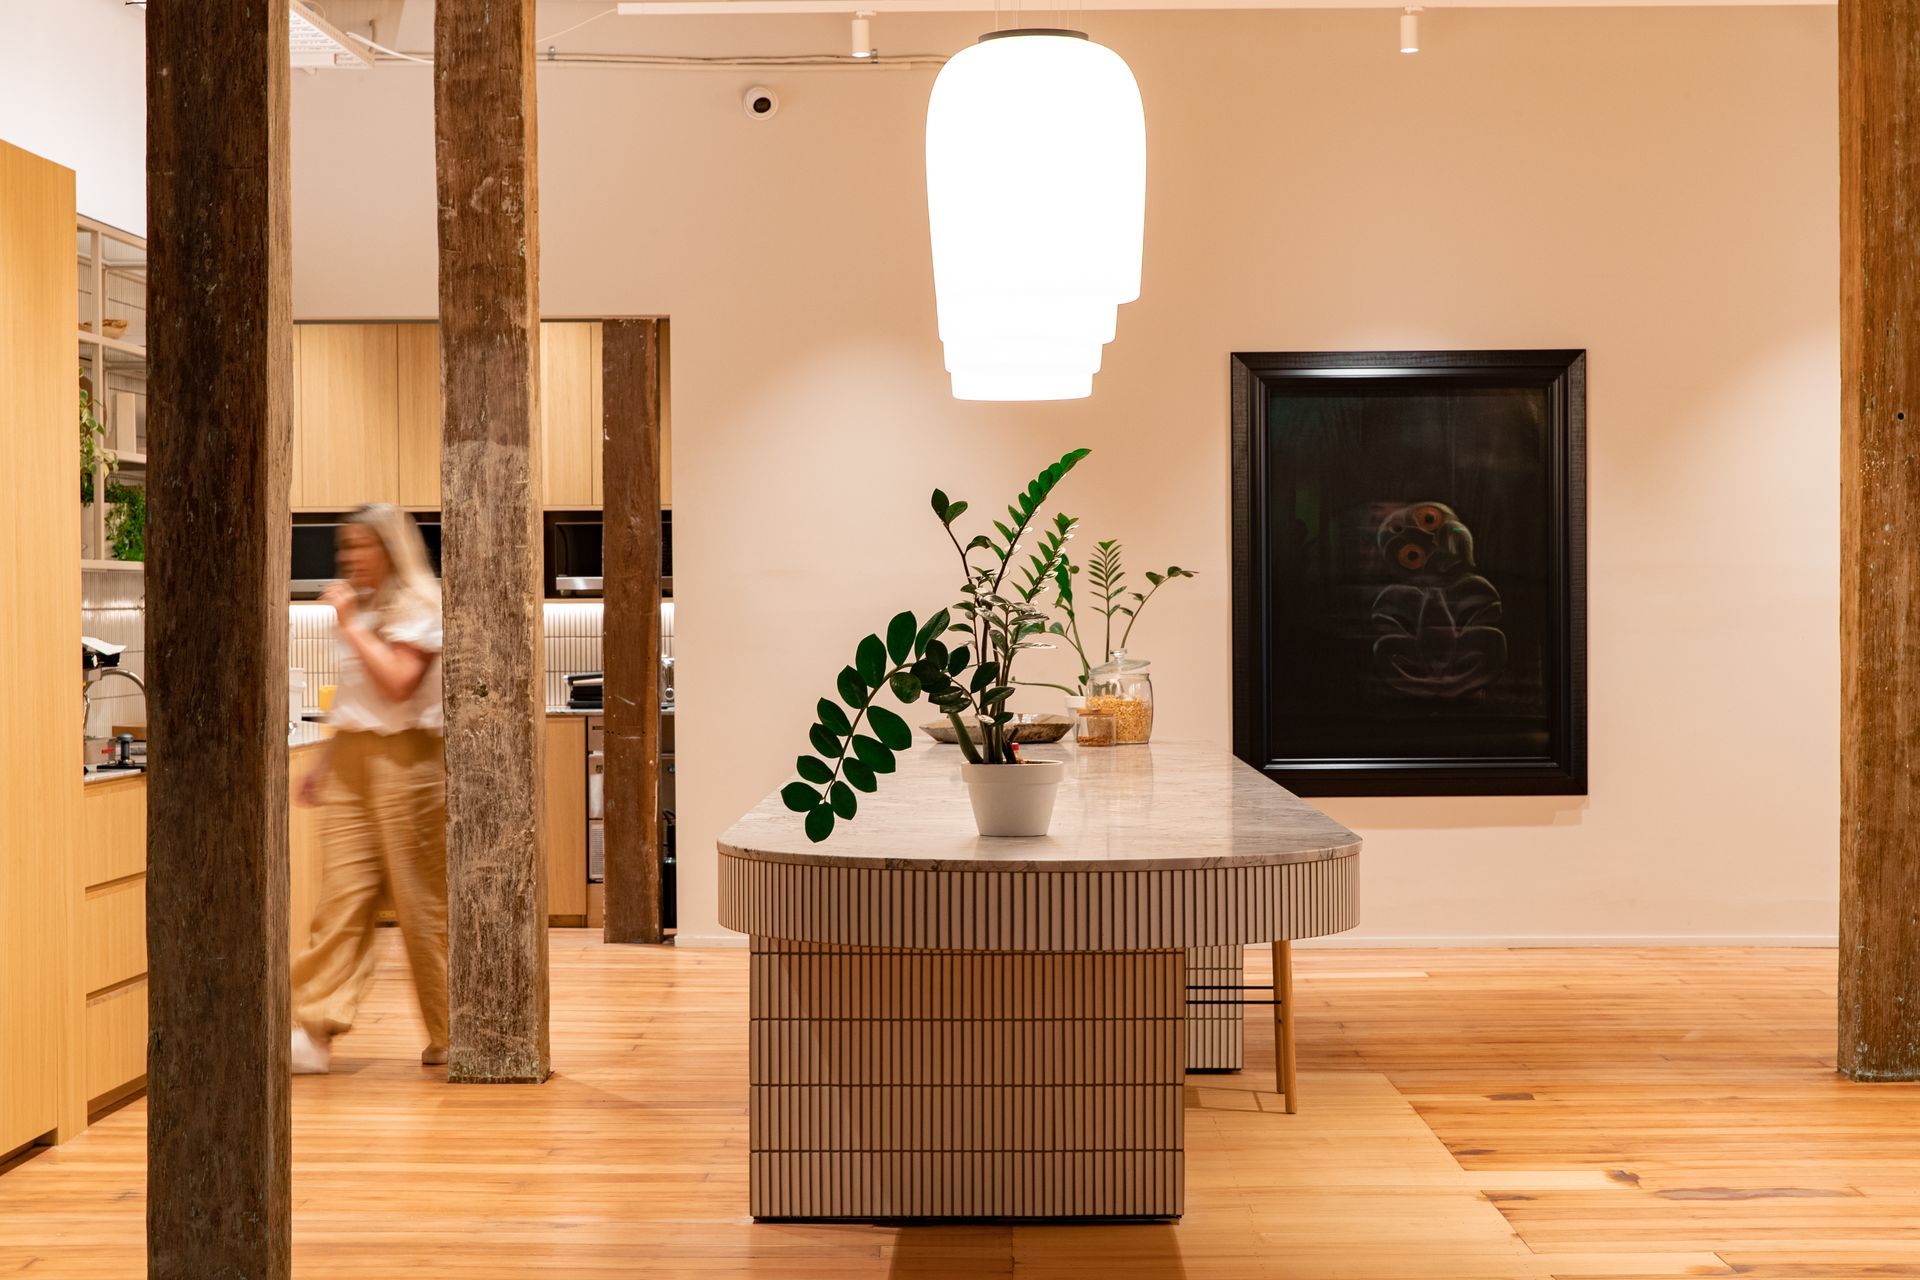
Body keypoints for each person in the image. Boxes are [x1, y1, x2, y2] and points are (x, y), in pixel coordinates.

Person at [290, 504, 448, 1074]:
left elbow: (400, 684)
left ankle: (452, 1031)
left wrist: (350, 626)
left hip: (411, 764)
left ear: (391, 548)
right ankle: (315, 1030)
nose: (351, 558)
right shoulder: (364, 608)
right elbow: (356, 696)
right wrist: (327, 762)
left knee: (422, 904)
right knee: (341, 899)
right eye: (345, 548)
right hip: (355, 758)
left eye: (362, 546)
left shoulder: (422, 604)